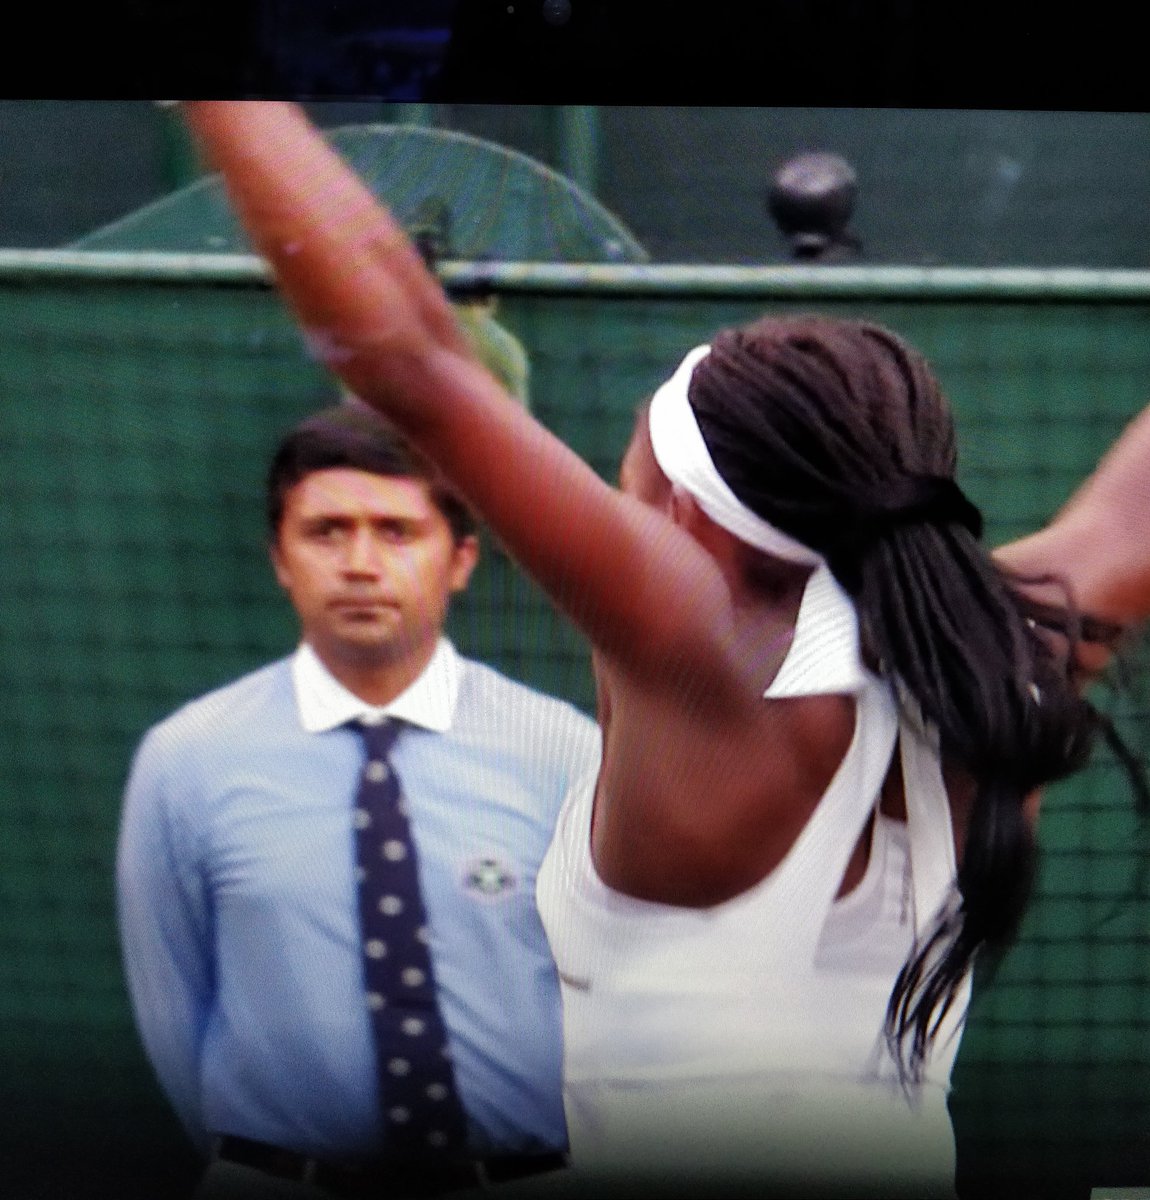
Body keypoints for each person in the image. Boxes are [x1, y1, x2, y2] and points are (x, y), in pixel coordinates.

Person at [171, 101, 1150, 1199]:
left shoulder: (700, 647)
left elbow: (410, 358)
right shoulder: (1015, 647)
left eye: (629, 457)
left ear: (684, 511)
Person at [116, 402, 600, 1198]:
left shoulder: (560, 751)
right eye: (327, 531)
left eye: (397, 531)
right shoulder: (186, 761)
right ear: (280, 558)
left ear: (462, 559)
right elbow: (174, 1011)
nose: (361, 563)